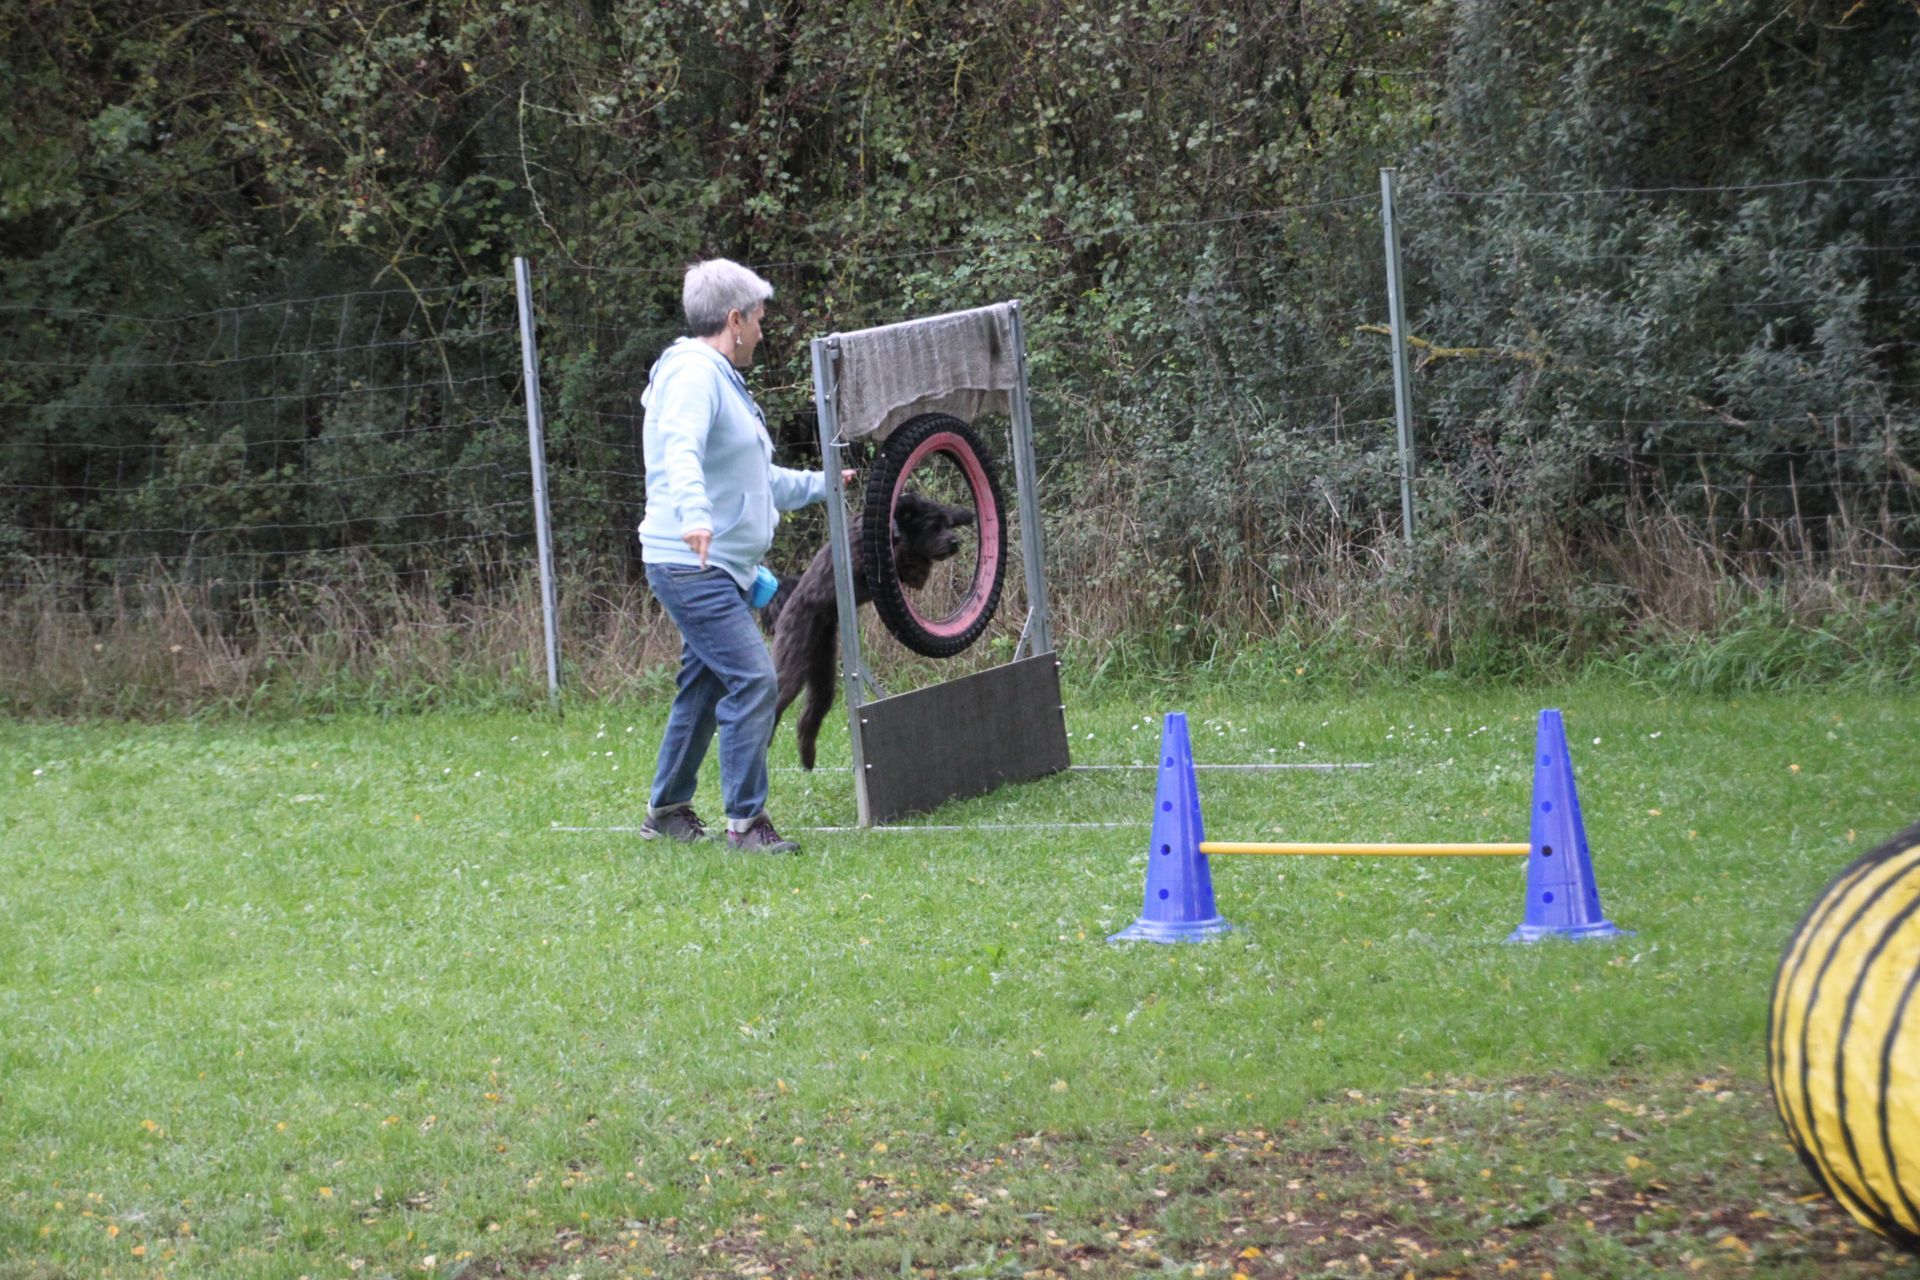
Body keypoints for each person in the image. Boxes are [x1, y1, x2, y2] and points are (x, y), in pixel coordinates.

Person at [636, 258, 845, 854]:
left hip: (720, 565)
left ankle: (667, 811)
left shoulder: (720, 380)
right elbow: (680, 448)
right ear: (734, 320)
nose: (761, 330)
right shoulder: (693, 375)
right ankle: (746, 825)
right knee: (755, 680)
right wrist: (695, 514)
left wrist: (825, 483)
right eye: (758, 319)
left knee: (703, 687)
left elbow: (759, 479)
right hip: (690, 561)